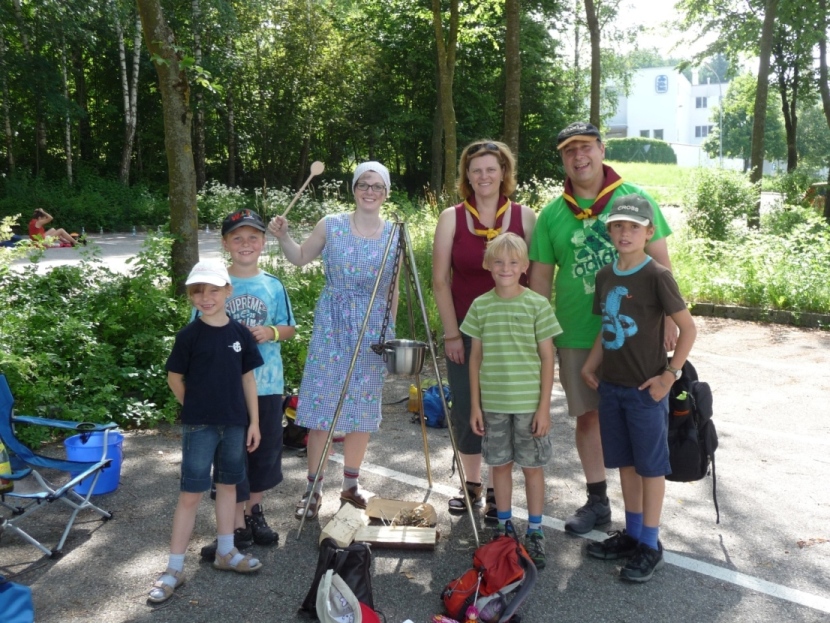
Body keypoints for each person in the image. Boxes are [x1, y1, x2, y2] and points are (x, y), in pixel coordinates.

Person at [529, 122, 676, 535]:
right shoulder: (552, 214)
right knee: (588, 418)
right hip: (577, 334)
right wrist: (539, 337)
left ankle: (642, 527)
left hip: (636, 334)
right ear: (562, 159)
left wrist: (668, 320)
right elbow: (539, 282)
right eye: (569, 151)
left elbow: (662, 265)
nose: (579, 157)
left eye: (586, 147)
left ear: (601, 149)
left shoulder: (635, 199)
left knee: (639, 422)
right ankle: (598, 502)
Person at [268, 161, 399, 519]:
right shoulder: (331, 224)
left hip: (372, 328)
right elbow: (299, 258)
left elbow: (393, 288)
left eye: (377, 186)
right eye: (363, 184)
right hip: (332, 325)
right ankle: (312, 489)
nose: (370, 191)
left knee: (362, 410)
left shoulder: (394, 234)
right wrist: (283, 236)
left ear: (386, 193)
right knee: (321, 409)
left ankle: (351, 487)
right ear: (354, 188)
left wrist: (389, 332)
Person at [580, 194, 696, 582]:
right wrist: (591, 364)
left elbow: (688, 328)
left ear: (649, 232)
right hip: (612, 388)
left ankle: (650, 543)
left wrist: (670, 375)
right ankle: (631, 535)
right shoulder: (605, 276)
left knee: (650, 468)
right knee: (626, 465)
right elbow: (607, 327)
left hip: (647, 391)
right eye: (618, 226)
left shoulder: (656, 275)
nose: (625, 233)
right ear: (609, 231)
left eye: (634, 226)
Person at [149, 260, 264, 605]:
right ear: (191, 296)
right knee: (191, 494)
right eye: (198, 291)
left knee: (228, 486)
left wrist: (254, 422)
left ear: (228, 291)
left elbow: (248, 379)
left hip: (236, 424)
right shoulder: (189, 335)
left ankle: (226, 552)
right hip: (199, 426)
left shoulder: (240, 334)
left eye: (214, 289)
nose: (206, 297)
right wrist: (195, 405)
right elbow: (174, 377)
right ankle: (174, 568)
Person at [432, 140, 536, 521]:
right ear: (467, 176)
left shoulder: (526, 217)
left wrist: (535, 332)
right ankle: (471, 484)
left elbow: (537, 277)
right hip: (465, 332)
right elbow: (440, 280)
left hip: (512, 334)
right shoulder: (451, 218)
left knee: (503, 410)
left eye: (492, 168)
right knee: (466, 407)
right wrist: (451, 333)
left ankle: (497, 492)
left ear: (504, 172)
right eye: (476, 170)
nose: (484, 176)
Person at [198, 209, 297, 561]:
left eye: (253, 237)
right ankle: (236, 524)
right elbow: (199, 330)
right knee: (230, 454)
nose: (245, 244)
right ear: (225, 243)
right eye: (237, 237)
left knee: (264, 452)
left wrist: (270, 332)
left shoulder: (273, 285)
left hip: (267, 385)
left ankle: (255, 512)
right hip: (226, 389)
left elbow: (289, 328)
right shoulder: (214, 284)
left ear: (263, 243)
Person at [462, 233, 561, 569]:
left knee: (532, 468)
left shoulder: (537, 305)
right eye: (499, 262)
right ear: (487, 265)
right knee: (499, 465)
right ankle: (504, 527)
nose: (506, 268)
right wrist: (475, 406)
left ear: (525, 266)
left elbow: (547, 358)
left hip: (529, 405)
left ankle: (535, 530)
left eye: (513, 262)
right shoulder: (480, 305)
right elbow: (475, 358)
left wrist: (544, 407)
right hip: (493, 404)